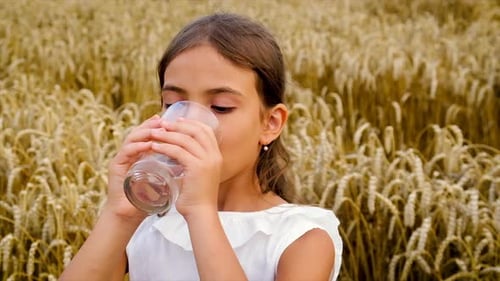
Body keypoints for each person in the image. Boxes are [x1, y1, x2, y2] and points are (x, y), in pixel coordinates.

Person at [60, 12, 342, 281]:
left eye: (220, 107)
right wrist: (119, 215)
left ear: (270, 123)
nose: (190, 125)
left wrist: (201, 213)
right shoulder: (148, 224)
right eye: (173, 104)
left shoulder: (303, 237)